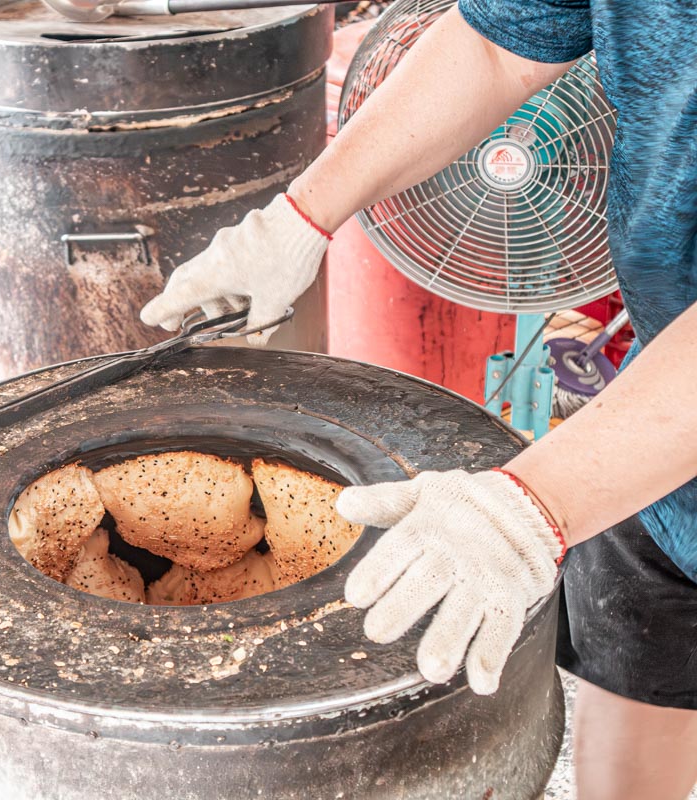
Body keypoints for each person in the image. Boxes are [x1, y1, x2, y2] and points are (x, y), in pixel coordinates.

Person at [138, 2, 697, 798]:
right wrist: (299, 218)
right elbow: (501, 45)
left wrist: (534, 503)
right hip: (654, 414)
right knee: (629, 739)